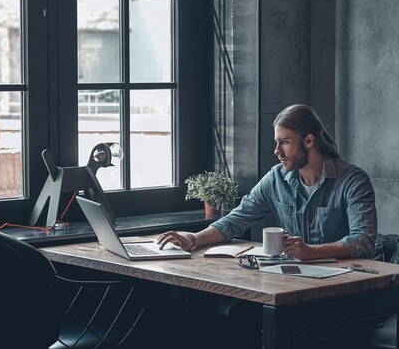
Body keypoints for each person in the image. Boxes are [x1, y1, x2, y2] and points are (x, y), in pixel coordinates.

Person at [157, 103, 377, 260]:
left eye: (284, 142)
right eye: (276, 142)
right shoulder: (276, 178)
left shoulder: (353, 182)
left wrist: (312, 252)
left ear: (309, 140)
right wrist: (193, 239)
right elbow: (236, 220)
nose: (276, 151)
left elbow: (363, 241)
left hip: (343, 286)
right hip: (293, 281)